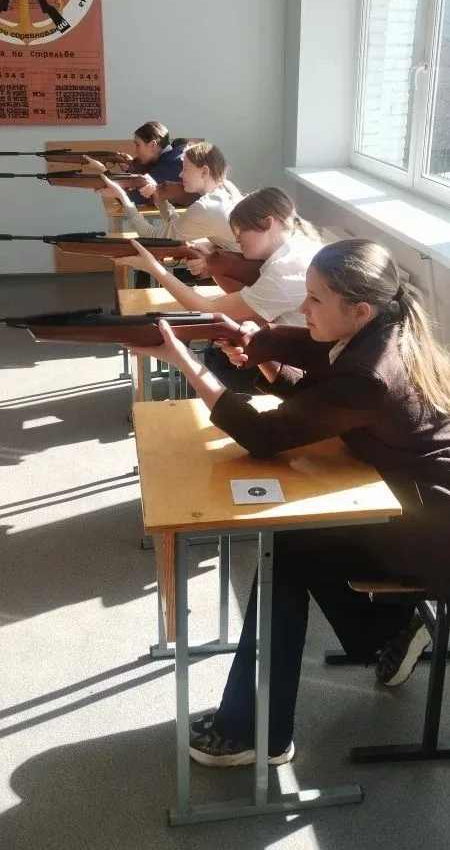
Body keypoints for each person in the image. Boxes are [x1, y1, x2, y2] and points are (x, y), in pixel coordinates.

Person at [123, 238, 450, 766]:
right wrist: (264, 357)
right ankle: (385, 631)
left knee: (289, 553)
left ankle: (256, 730)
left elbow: (265, 434)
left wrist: (181, 358)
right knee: (295, 546)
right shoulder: (382, 332)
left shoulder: (369, 369)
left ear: (358, 310)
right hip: (414, 497)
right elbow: (318, 404)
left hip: (431, 528)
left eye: (315, 298)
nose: (304, 307)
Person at [120, 187, 322, 324]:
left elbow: (209, 308)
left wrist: (155, 269)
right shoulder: (301, 244)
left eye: (242, 231)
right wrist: (212, 265)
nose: (237, 238)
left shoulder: (283, 272)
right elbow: (244, 297)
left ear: (268, 223)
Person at [87, 141, 242, 290]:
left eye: (185, 169)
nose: (180, 174)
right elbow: (178, 227)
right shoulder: (226, 187)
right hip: (240, 268)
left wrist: (122, 197)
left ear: (204, 171)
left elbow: (153, 238)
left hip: (242, 279)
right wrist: (158, 196)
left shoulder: (206, 208)